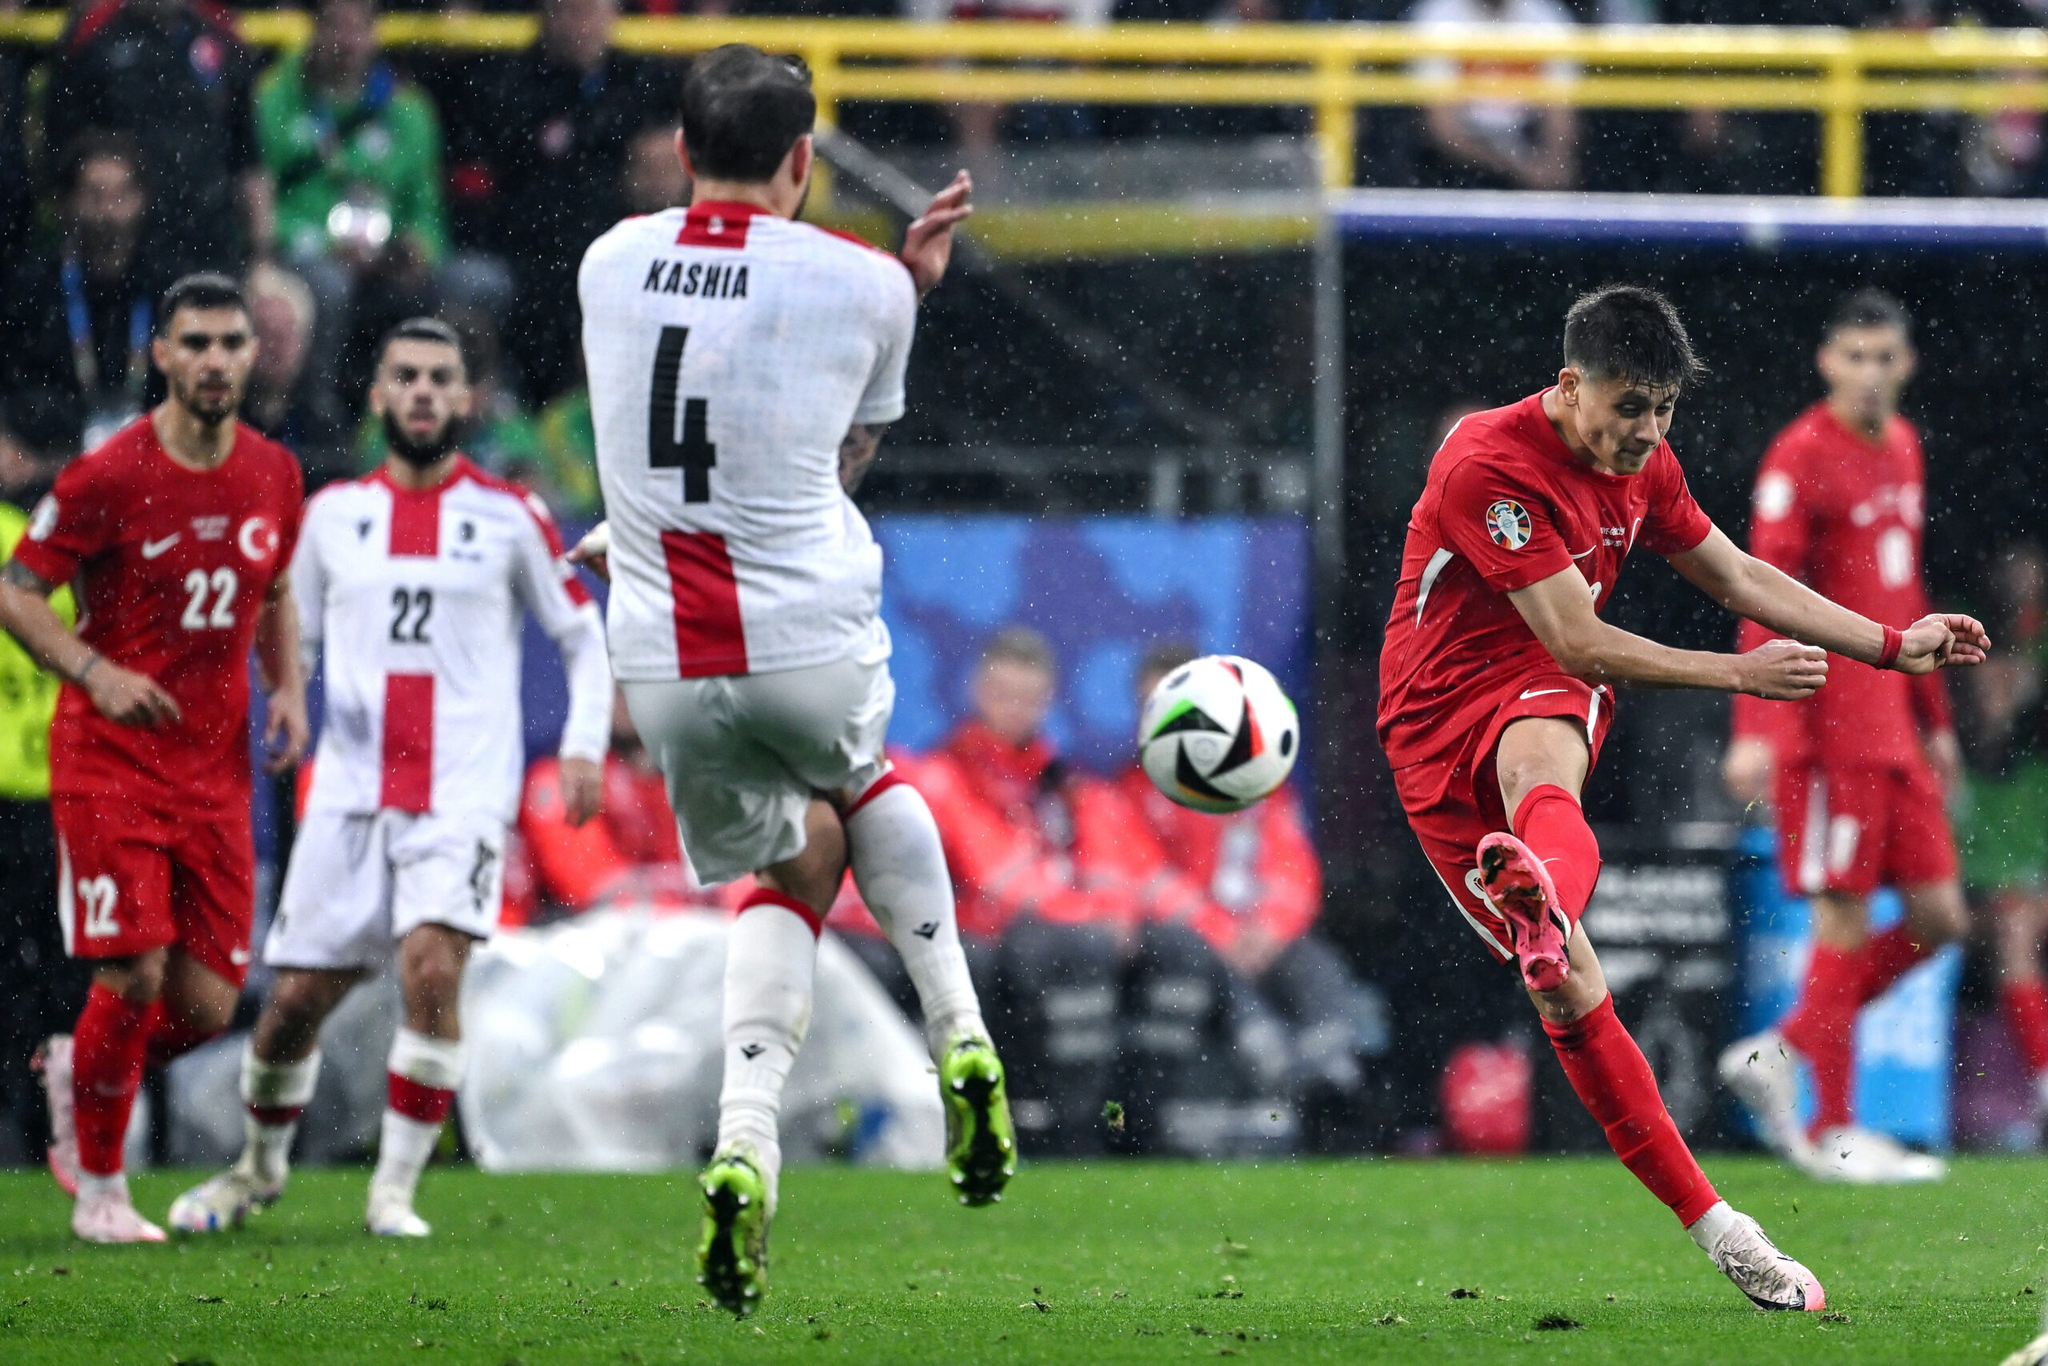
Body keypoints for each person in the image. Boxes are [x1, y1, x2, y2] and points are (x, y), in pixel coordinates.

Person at [1376, 283, 1986, 1312]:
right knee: (1572, 979)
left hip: (1535, 686)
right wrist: (1737, 677)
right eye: (1627, 409)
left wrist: (1888, 646)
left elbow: (1738, 575)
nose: (1646, 433)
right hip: (1432, 717)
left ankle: (1730, 1235)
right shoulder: (1489, 463)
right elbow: (1577, 634)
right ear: (1568, 387)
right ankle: (1551, 917)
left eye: (1662, 410)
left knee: (1544, 774)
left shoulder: (1646, 461)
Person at [571, 44, 1008, 1317]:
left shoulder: (608, 262)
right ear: (804, 162)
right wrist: (916, 281)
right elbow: (842, 457)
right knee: (862, 784)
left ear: (680, 146)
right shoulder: (868, 283)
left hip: (658, 662)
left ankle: (745, 1140)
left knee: (789, 864)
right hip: (801, 634)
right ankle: (958, 1034)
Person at [164, 317, 611, 1237]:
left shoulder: (510, 516)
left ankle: (393, 1192)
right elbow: (298, 637)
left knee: (431, 968)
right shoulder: (331, 517)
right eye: (403, 374)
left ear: (467, 398)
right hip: (351, 794)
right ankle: (256, 1170)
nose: (420, 391)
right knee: (294, 1005)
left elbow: (580, 634)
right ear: (375, 395)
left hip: (461, 795)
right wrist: (285, 697)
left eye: (439, 377)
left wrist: (582, 743)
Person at [0, 272, 309, 1243]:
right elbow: (14, 592)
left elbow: (273, 592)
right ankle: (100, 1186)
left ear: (251, 357)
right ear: (160, 356)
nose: (215, 361)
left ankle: (74, 1068)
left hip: (213, 774)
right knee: (132, 969)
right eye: (196, 344)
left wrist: (289, 689)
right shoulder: (107, 476)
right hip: (111, 761)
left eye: (230, 344)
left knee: (208, 1003)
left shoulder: (273, 471)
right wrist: (93, 671)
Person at [1718, 290, 1966, 1185]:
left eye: (1884, 358)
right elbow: (1758, 589)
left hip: (1897, 727)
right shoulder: (1800, 456)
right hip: (1827, 728)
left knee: (1942, 919)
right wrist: (1755, 721)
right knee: (1843, 918)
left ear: (1907, 364)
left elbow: (1901, 593)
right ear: (1827, 362)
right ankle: (1835, 1128)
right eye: (1853, 357)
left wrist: (1935, 720)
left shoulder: (1903, 448)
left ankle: (1779, 1052)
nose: (1869, 374)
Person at [918, 628, 1284, 1158]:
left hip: (1083, 932)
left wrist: (1120, 917)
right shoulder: (943, 775)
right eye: (1003, 694)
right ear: (977, 692)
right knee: (1080, 951)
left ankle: (1148, 1121)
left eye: (1028, 697)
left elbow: (1118, 870)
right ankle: (1078, 1134)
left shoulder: (1068, 784)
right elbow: (998, 878)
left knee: (1176, 948)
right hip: (991, 937)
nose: (1014, 709)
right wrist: (1093, 918)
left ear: (1047, 701)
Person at [1118, 639, 1388, 1147]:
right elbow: (1141, 879)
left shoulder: (1256, 784)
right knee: (1200, 964)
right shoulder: (1126, 795)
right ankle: (1281, 1074)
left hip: (1260, 938)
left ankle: (1337, 1088)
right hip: (1193, 951)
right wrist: (1222, 934)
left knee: (1317, 968)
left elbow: (1294, 870)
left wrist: (1268, 928)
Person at [456, 0, 676, 400]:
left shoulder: (645, 83)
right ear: (546, 16)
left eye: (592, 12)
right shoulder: (507, 83)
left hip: (618, 241)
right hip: (526, 248)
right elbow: (481, 185)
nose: (581, 25)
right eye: (570, 11)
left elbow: (664, 174)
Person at [43, 0, 273, 275]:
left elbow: (248, 162)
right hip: (118, 245)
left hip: (208, 238)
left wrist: (262, 257)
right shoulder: (93, 36)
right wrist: (74, 237)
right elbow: (62, 159)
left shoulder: (220, 36)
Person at [0, 479, 82, 1166]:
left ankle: (25, 1135)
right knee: (68, 975)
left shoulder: (27, 545)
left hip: (26, 794)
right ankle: (52, 1139)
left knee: (17, 976)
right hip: (61, 791)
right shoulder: (69, 543)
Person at [1954, 544, 2048, 1131]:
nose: (1999, 695)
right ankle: (2043, 1085)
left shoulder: (2036, 769)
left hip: (2030, 894)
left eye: (2010, 685)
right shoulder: (1949, 767)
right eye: (1989, 685)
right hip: (1977, 905)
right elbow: (1947, 865)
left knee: (2023, 915)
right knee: (2014, 927)